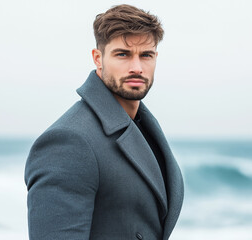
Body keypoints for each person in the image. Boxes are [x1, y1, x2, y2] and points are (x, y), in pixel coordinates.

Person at [25, 4, 184, 240]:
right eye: (123, 54)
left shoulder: (145, 127)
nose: (137, 68)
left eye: (146, 55)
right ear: (98, 59)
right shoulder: (68, 142)